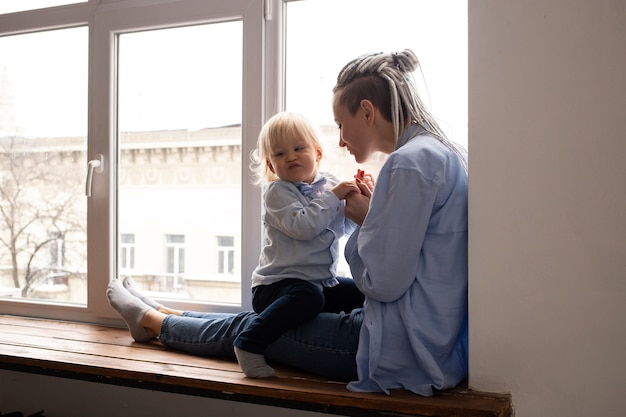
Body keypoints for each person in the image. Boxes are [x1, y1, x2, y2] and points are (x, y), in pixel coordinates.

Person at [107, 48, 468, 396]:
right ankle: (166, 312)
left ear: (368, 112)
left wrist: (365, 218)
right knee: (290, 305)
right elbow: (410, 250)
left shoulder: (408, 163)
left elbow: (383, 282)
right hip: (428, 335)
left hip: (395, 345)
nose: (341, 140)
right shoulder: (444, 153)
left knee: (257, 327)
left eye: (342, 125)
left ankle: (154, 322)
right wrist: (370, 218)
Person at [232, 111, 364, 378]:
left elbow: (343, 228)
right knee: (308, 297)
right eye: (279, 154)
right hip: (275, 287)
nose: (290, 156)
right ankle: (249, 342)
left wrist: (358, 199)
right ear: (271, 166)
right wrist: (333, 197)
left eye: (298, 148)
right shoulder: (277, 193)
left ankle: (363, 337)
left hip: (318, 282)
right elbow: (303, 227)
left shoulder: (329, 184)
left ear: (317, 153)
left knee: (358, 291)